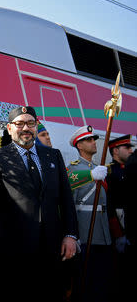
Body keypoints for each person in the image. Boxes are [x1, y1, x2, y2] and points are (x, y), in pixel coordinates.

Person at [0, 106, 78, 302]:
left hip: (51, 247)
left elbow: (66, 198)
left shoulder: (53, 155)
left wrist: (70, 234)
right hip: (13, 250)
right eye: (20, 123)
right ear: (9, 128)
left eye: (31, 123)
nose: (26, 128)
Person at [66, 125, 113, 302]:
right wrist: (91, 175)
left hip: (103, 233)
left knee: (102, 282)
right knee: (85, 283)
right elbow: (68, 184)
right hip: (86, 233)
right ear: (79, 145)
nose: (94, 142)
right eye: (88, 139)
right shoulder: (74, 169)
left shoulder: (99, 167)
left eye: (93, 139)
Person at [106, 134, 134, 301]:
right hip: (121, 229)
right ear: (115, 151)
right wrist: (118, 234)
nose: (131, 150)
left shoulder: (132, 169)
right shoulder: (110, 172)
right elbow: (109, 206)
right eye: (127, 147)